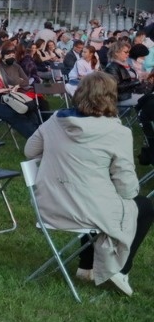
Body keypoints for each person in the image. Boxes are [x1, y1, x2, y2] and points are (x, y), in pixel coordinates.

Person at [24, 72, 152, 297]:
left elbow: (29, 151)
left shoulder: (56, 120)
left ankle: (86, 266)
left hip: (51, 207)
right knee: (143, 206)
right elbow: (127, 188)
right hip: (85, 209)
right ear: (111, 97)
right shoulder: (117, 132)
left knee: (93, 196)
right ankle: (121, 268)